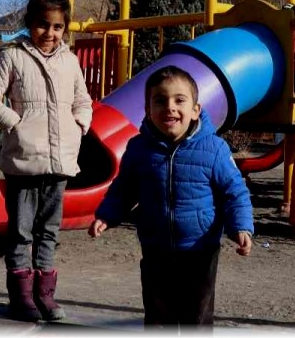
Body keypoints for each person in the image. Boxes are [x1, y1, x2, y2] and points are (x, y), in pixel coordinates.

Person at [88, 66, 254, 329]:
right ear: (148, 110)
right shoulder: (139, 148)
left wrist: (241, 226)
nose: (170, 107)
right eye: (160, 100)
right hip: (156, 246)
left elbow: (234, 191)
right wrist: (107, 215)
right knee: (158, 315)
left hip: (200, 249)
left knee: (196, 316)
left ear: (196, 110)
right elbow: (124, 187)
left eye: (179, 100)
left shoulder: (214, 148)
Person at [0, 0, 93, 323]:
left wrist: (80, 126)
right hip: (23, 161)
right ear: (31, 24)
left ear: (65, 29)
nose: (50, 33)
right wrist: (15, 122)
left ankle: (46, 295)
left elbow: (83, 100)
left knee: (49, 230)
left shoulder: (69, 61)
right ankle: (22, 297)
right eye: (43, 25)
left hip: (59, 163)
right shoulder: (12, 56)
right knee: (21, 231)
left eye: (57, 27)